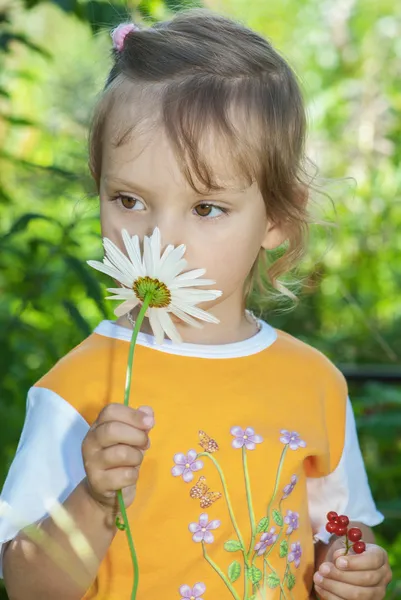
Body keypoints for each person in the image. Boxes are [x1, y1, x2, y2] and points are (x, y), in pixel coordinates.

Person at [0, 9, 392, 600]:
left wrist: (349, 565)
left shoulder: (316, 384)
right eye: (128, 199)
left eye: (206, 208)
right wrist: (95, 501)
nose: (159, 241)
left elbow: (340, 527)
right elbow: (27, 587)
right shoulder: (80, 390)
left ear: (279, 217)